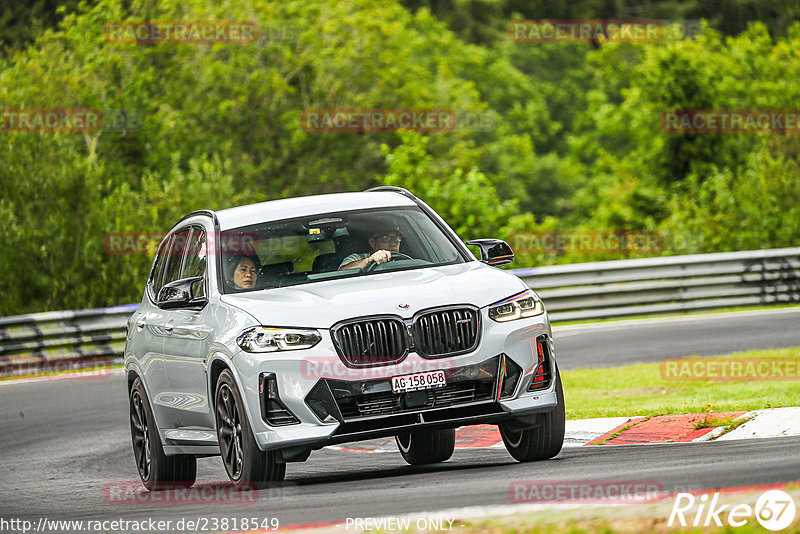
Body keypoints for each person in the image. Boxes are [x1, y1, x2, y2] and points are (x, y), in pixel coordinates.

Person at [338, 222, 405, 271]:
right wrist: (368, 261)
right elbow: (342, 271)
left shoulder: (406, 259)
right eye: (386, 239)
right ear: (372, 243)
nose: (393, 244)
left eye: (397, 239)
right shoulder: (357, 258)